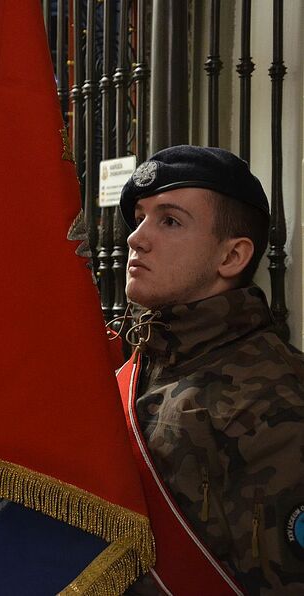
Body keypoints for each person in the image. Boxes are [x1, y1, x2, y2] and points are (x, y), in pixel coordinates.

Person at [117, 145, 304, 595]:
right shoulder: (143, 363)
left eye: (170, 221)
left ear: (232, 257)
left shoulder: (276, 400)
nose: (135, 238)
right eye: (140, 216)